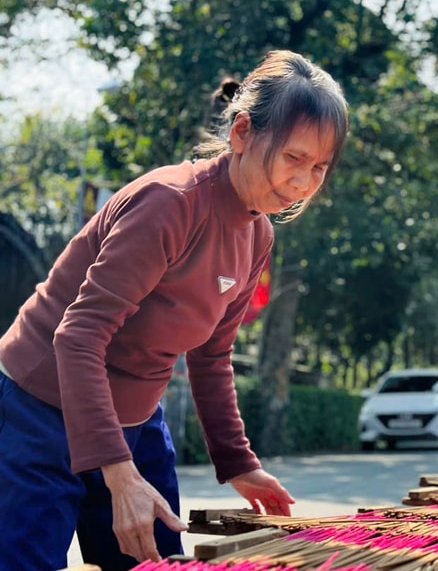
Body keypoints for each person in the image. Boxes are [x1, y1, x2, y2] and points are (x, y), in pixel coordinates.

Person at [0, 50, 350, 570]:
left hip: (135, 421)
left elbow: (212, 355)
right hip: (41, 407)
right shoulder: (169, 204)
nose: (304, 182)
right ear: (242, 133)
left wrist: (238, 463)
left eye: (319, 167)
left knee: (156, 563)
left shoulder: (257, 234)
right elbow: (77, 337)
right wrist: (119, 476)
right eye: (294, 158)